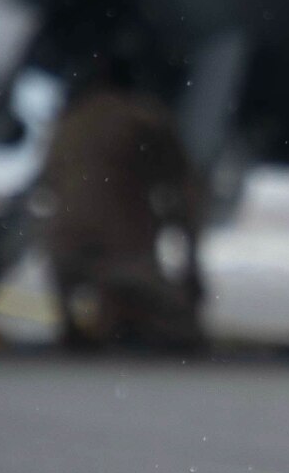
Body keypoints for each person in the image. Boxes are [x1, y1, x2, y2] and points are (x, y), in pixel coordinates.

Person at [39, 61, 207, 351]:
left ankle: (79, 324)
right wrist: (192, 265)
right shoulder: (144, 117)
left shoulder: (69, 122)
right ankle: (123, 317)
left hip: (64, 248)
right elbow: (181, 185)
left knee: (99, 277)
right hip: (122, 248)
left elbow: (47, 186)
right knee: (181, 330)